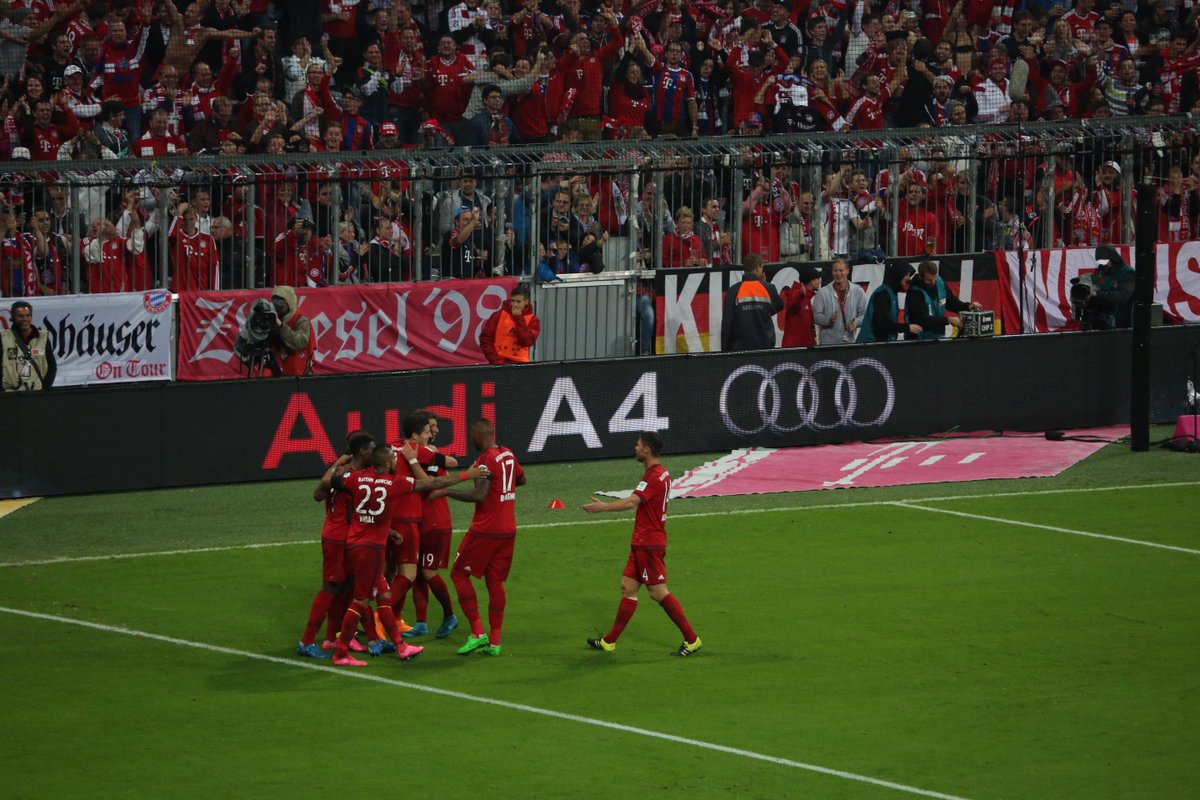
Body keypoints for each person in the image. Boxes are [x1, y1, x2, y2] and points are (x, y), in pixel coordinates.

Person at [325, 443, 485, 666]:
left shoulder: (355, 478)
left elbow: (331, 481)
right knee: (360, 600)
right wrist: (468, 475)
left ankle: (400, 646)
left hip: (359, 543)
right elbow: (432, 483)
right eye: (394, 460)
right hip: (369, 549)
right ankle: (341, 652)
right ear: (389, 463)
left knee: (385, 595)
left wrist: (339, 463)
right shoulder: (394, 483)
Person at [583, 431, 701, 657]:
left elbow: (632, 502)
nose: (635, 448)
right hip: (642, 542)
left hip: (649, 543)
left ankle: (692, 639)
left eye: (638, 445)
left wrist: (603, 507)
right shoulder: (661, 473)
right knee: (628, 588)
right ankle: (609, 642)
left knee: (658, 593)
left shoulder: (654, 476)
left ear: (647, 449)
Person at [435, 419, 525, 657]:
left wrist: (446, 492)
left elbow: (480, 495)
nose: (470, 440)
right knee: (494, 580)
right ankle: (495, 641)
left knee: (458, 574)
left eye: (471, 435)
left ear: (478, 434)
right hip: (508, 529)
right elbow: (521, 479)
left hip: (486, 529)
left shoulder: (486, 460)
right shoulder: (507, 454)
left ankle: (477, 633)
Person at [297, 430, 376, 659]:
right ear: (362, 450)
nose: (374, 452)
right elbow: (353, 514)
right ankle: (307, 641)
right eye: (371, 448)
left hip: (335, 533)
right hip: (340, 536)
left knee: (346, 587)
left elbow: (317, 495)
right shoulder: (351, 476)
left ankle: (333, 637)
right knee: (331, 587)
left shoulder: (341, 472)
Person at [400, 410, 461, 640]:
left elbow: (431, 484)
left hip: (436, 520)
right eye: (428, 429)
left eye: (431, 430)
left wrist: (414, 460)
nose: (432, 433)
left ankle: (450, 616)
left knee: (427, 571)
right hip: (420, 520)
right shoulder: (422, 451)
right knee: (416, 572)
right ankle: (421, 622)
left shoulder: (429, 454)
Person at [233, 286, 314, 377]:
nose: (277, 303)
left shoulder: (301, 319)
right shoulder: (270, 317)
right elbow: (255, 355)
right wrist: (247, 342)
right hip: (277, 369)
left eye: (280, 300)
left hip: (300, 374)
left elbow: (300, 342)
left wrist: (280, 326)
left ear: (289, 301)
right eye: (274, 299)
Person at [720, 253, 784, 352]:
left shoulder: (733, 290)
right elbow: (779, 306)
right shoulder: (768, 288)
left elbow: (727, 322)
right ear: (758, 268)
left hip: (739, 349)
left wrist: (725, 349)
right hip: (765, 347)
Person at [904, 260, 982, 340]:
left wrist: (969, 306)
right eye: (929, 280)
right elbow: (921, 319)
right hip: (919, 339)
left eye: (934, 278)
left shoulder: (939, 282)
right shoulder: (915, 292)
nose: (933, 282)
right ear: (920, 277)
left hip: (938, 336)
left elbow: (952, 302)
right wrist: (948, 320)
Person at [856, 261, 922, 343]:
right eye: (907, 275)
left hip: (879, 344)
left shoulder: (891, 292)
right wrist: (906, 328)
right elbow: (883, 322)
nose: (909, 278)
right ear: (899, 274)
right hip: (870, 344)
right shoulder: (883, 294)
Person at [2, 300, 56, 392]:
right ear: (13, 318)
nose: (25, 319)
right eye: (20, 316)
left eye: (28, 315)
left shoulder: (43, 337)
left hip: (37, 394)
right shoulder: (3, 338)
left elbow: (52, 367)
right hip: (10, 396)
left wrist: (45, 390)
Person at [812, 258, 868, 346]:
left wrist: (856, 322)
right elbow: (816, 316)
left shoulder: (858, 291)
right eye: (835, 270)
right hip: (827, 344)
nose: (838, 274)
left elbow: (865, 314)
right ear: (832, 272)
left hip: (850, 343)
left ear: (847, 271)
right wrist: (828, 320)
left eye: (841, 270)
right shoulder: (822, 293)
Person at [479, 285, 540, 364]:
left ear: (526, 302)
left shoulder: (533, 320)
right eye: (512, 301)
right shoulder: (497, 316)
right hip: (498, 364)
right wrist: (497, 360)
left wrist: (518, 318)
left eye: (518, 302)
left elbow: (526, 341)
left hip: (520, 364)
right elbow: (485, 339)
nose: (514, 305)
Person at [1083, 244, 1134, 331]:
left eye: (1105, 262)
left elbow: (1122, 296)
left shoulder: (1127, 273)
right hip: (1101, 319)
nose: (1103, 265)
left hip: (1121, 319)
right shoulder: (1101, 271)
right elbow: (1096, 285)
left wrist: (1098, 294)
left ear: (1113, 258)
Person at [780, 264, 822, 348]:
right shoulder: (796, 293)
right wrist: (800, 294)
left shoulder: (811, 297)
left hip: (806, 346)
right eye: (817, 279)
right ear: (812, 281)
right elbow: (792, 303)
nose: (819, 281)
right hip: (794, 347)